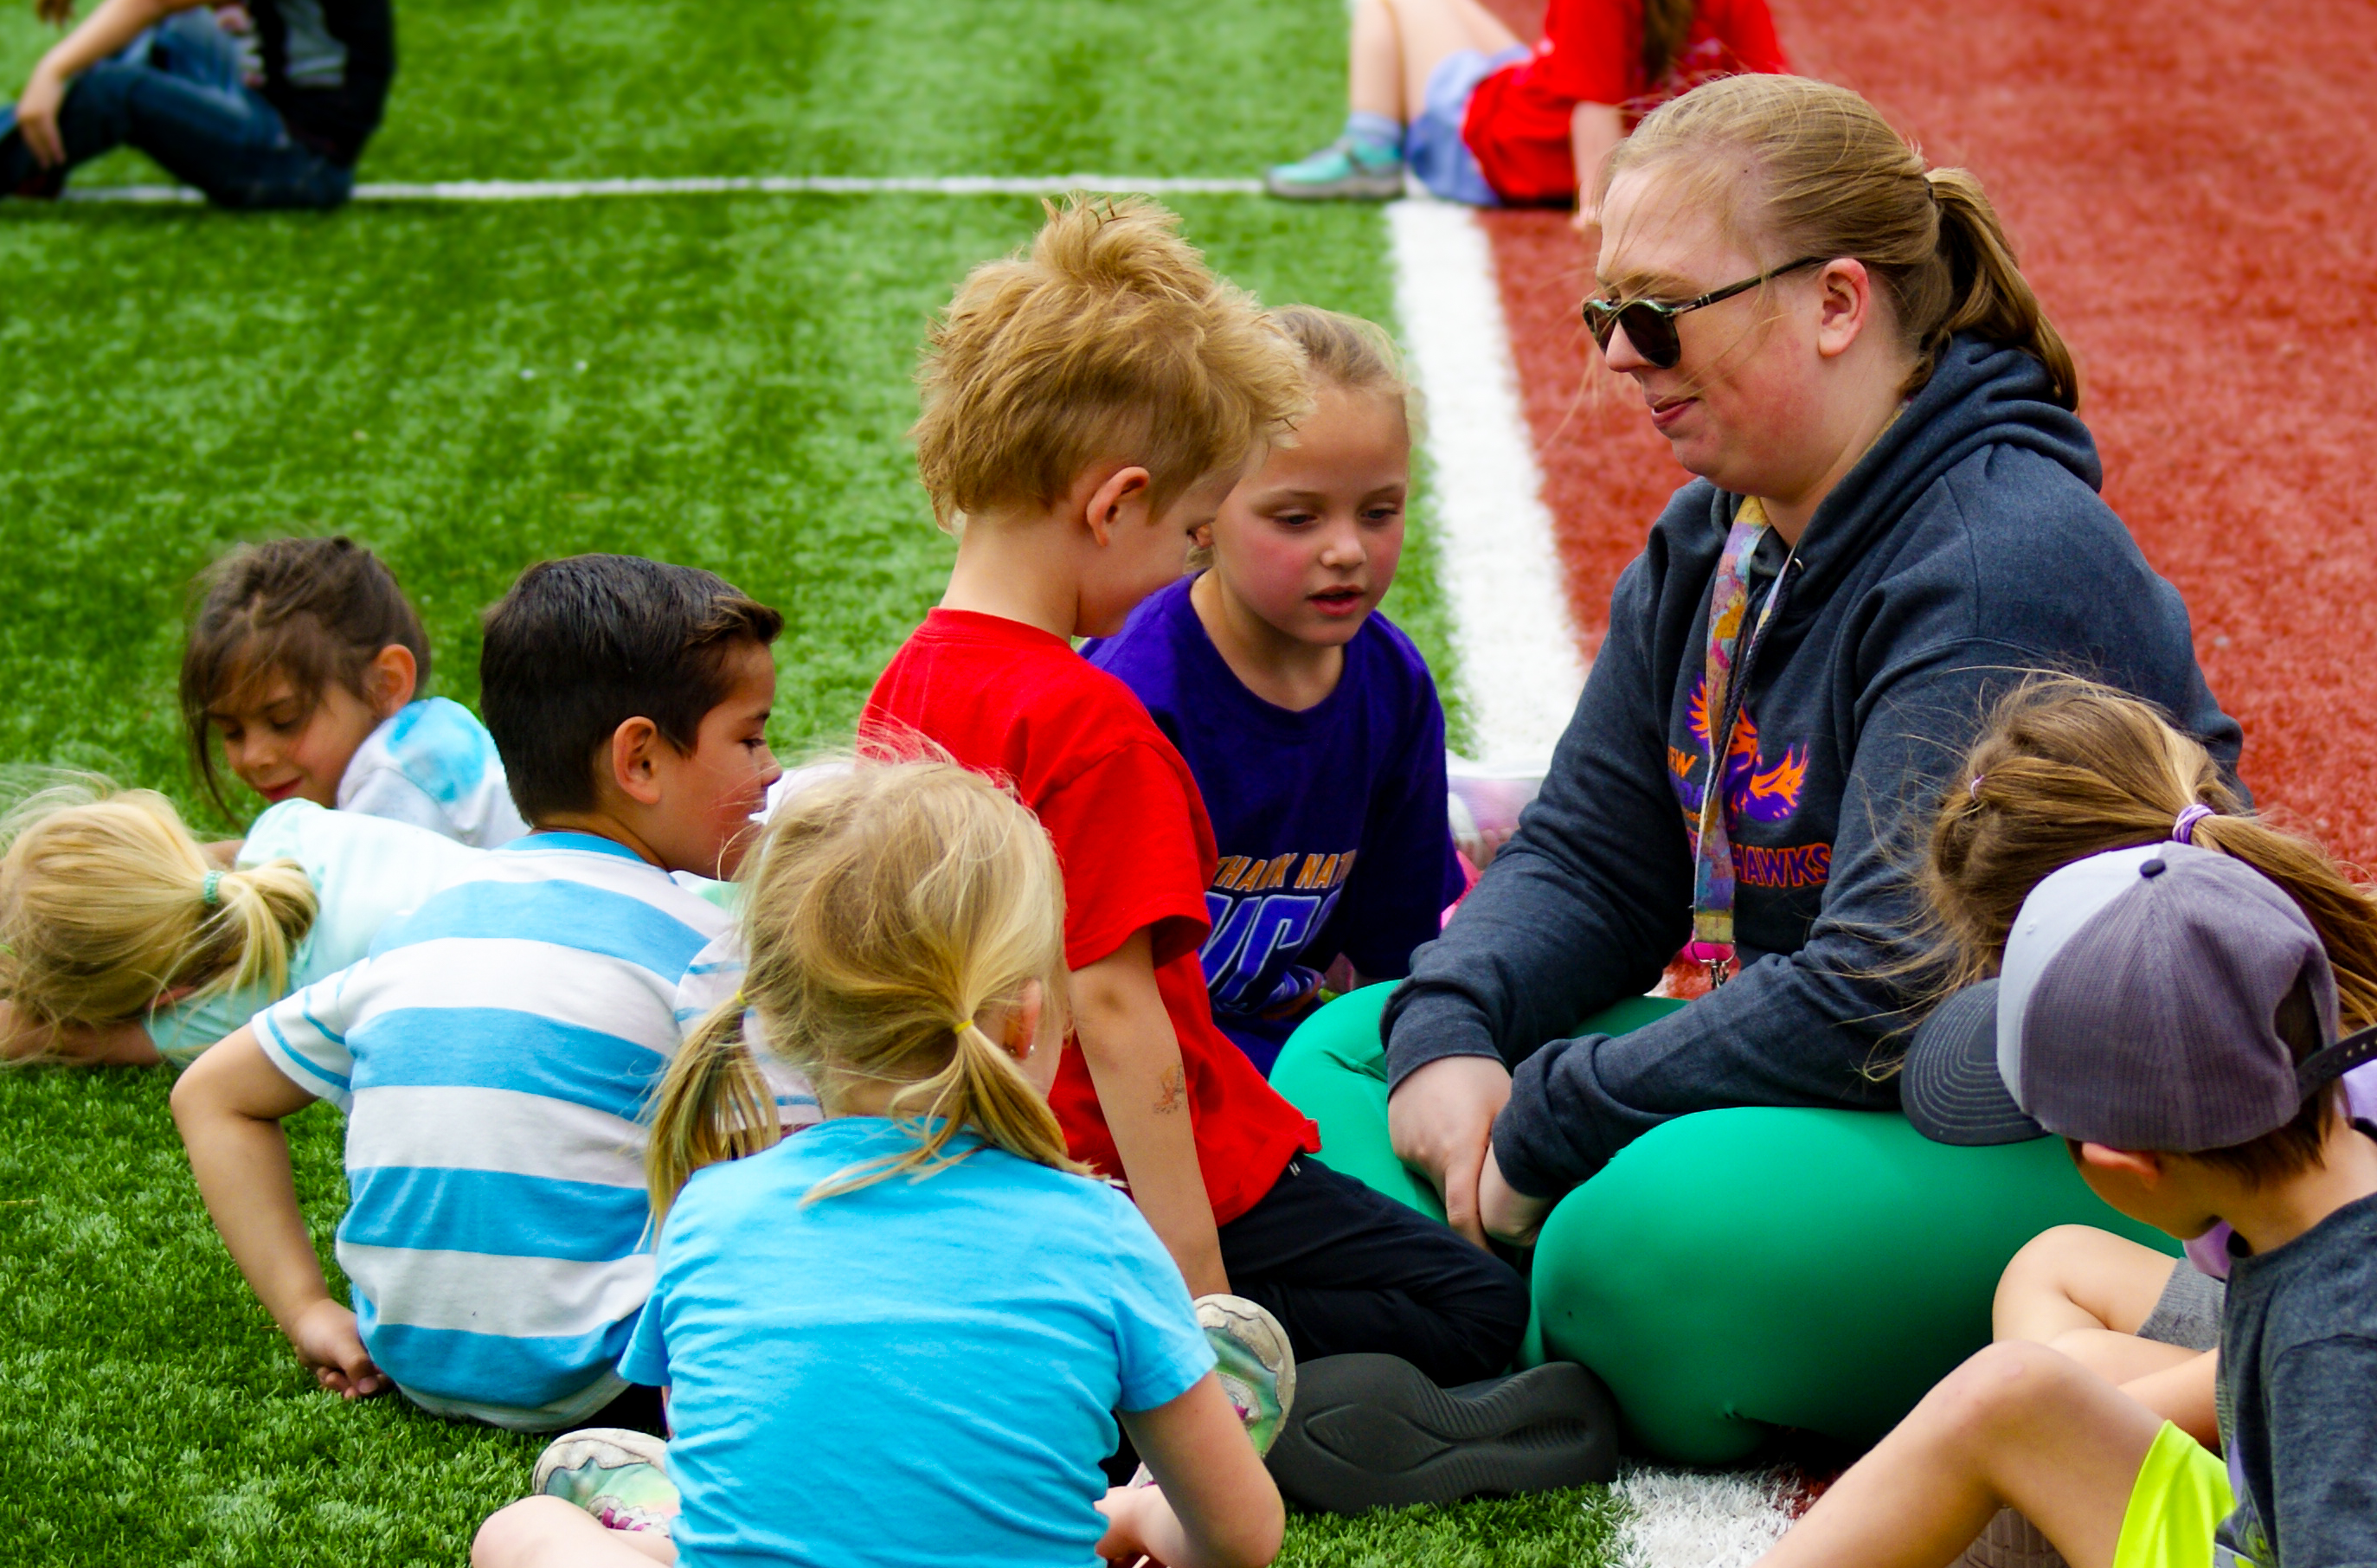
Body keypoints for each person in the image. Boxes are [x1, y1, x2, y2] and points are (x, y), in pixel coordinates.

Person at [1268, 74, 2238, 1461]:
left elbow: (1882, 989)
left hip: (2063, 1138)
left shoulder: (1993, 560)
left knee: (1644, 1241)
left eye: (1656, 315)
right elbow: (1596, 856)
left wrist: (1544, 1120)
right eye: (1604, 316)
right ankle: (1495, 1347)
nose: (1618, 357)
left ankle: (1463, 1324)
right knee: (1341, 1061)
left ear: (1836, 302)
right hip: (1825, 1085)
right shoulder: (1711, 535)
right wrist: (1455, 1033)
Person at [862, 196, 1610, 1512]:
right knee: (1474, 1307)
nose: (1187, 560)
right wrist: (1197, 1304)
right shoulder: (1094, 718)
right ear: (1116, 505)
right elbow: (1117, 1008)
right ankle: (1216, 1416)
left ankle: (1067, 1386)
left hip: (991, 1164)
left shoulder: (909, 681)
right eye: (1193, 531)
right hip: (1151, 1172)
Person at [469, 757, 1288, 1568]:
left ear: (781, 1019)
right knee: (1144, 1497)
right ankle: (1136, 1492)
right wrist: (1146, 1525)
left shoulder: (711, 1215)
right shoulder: (1104, 1231)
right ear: (1027, 1017)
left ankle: (649, 1513)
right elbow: (1241, 1538)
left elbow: (761, 1483)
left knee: (521, 1531)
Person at [1898, 674, 2377, 1565]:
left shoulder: (2262, 1121)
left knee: (2016, 1415)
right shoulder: (2283, 1002)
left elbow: (2336, 1347)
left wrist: (2074, 1418)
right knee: (2052, 1275)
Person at [1759, 845, 2377, 1568]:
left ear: (2129, 1166)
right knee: (2008, 1393)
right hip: (2259, 1533)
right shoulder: (2339, 1175)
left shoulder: (2361, 1354)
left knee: (2008, 1409)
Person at [169, 555, 781, 1430]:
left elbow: (209, 1094)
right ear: (639, 760)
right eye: (751, 738)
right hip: (622, 1375)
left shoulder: (422, 924)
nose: (769, 773)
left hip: (413, 1359)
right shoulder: (704, 948)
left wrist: (308, 1311)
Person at [1082, 306, 1464, 1076]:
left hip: (1287, 1052)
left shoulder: (1394, 686)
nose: (1348, 550)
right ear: (1203, 512)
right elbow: (1099, 998)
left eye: (1380, 512)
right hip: (1142, 1066)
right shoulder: (1133, 694)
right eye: (1297, 518)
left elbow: (1400, 953)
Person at [1265, 0, 1783, 218]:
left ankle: (1370, 151)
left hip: (1487, 147)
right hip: (1531, 105)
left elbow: (1595, 111)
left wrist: (1600, 206)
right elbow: (1771, 98)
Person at [0, 783, 476, 1067]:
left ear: (166, 997)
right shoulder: (285, 826)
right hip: (543, 895)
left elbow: (48, 1034)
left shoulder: (238, 1004)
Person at [183, 537, 529, 848]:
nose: (254, 756)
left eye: (284, 720)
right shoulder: (425, 736)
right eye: (232, 732)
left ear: (384, 685)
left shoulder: (397, 776)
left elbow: (326, 904)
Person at [7, 0, 391, 205]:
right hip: (274, 115)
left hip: (298, 165)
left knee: (117, 91)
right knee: (176, 31)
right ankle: (36, 158)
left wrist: (51, 70)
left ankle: (24, 154)